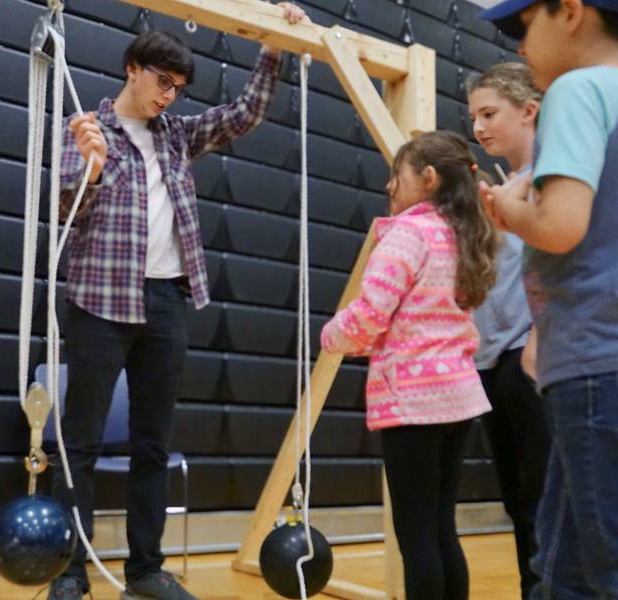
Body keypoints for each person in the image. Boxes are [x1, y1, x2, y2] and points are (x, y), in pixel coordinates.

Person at [47, 5, 308, 600]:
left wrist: (274, 45)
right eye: (162, 82)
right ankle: (71, 570)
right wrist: (89, 168)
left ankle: (144, 571)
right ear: (133, 69)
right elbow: (65, 213)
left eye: (179, 88)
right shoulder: (86, 127)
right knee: (79, 444)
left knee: (152, 445)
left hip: (165, 302)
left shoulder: (177, 135)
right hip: (99, 304)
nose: (169, 96)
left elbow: (244, 116)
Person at [321, 130, 500, 600]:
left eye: (396, 177)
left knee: (417, 534)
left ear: (427, 178)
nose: (388, 187)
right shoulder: (464, 234)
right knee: (441, 526)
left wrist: (330, 334)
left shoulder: (408, 235)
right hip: (459, 402)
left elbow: (368, 318)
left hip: (414, 405)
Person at [479, 1, 618, 597]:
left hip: (594, 363)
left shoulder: (578, 89)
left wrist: (509, 209)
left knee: (603, 563)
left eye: (522, 26)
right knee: (560, 567)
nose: (517, 46)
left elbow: (559, 225)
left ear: (569, 12)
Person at [466, 62, 550, 599]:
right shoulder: (501, 188)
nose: (478, 127)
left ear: (529, 111)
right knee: (520, 502)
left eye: (489, 113)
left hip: (534, 361)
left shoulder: (551, 181)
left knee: (544, 499)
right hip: (493, 363)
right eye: (473, 116)